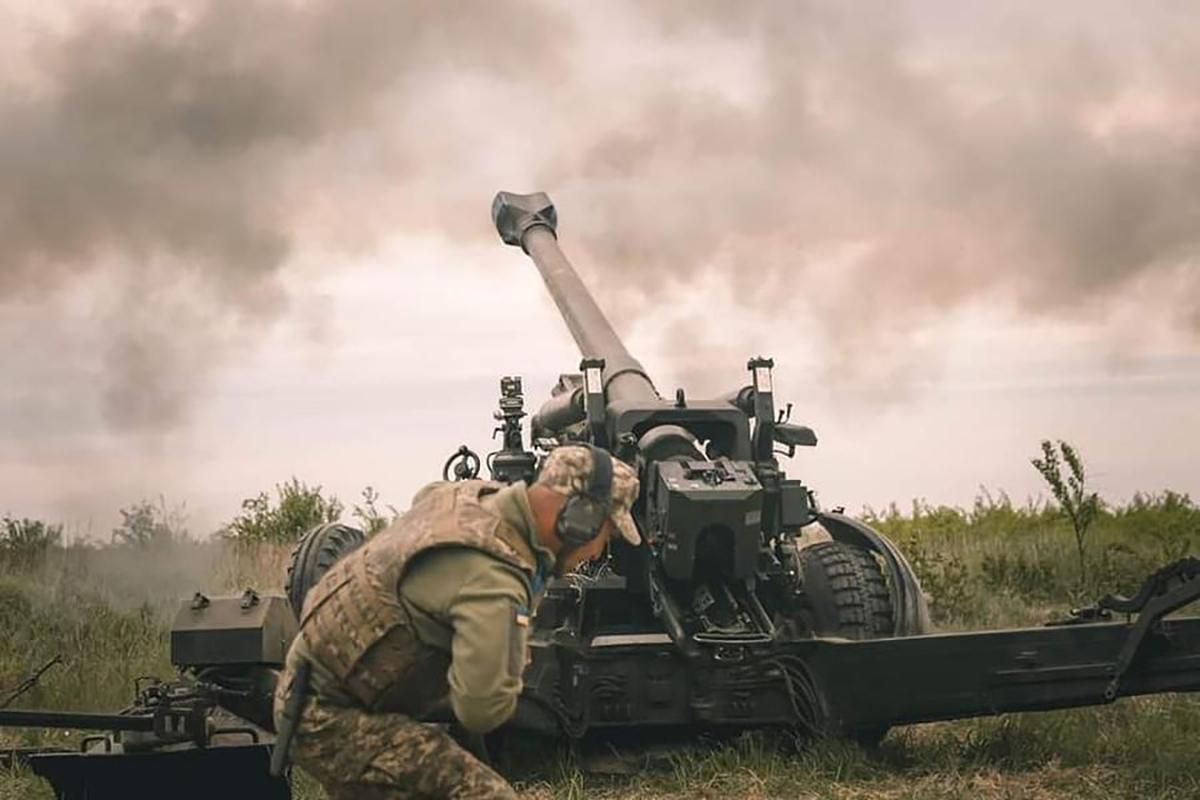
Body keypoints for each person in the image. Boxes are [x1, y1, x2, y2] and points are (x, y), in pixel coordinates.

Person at [273, 444, 640, 799]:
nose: (599, 550)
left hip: (318, 679)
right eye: (606, 534)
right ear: (580, 518)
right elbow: (482, 710)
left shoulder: (468, 497)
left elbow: (426, 495)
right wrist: (510, 652)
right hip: (326, 717)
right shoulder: (495, 581)